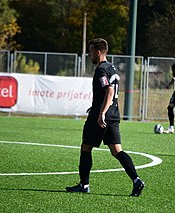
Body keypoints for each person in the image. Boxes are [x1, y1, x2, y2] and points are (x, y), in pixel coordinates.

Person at [66, 38, 144, 197]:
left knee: (86, 147)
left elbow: (109, 91)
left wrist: (101, 112)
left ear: (98, 52)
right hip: (114, 114)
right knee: (117, 151)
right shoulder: (112, 68)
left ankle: (84, 185)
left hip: (101, 116)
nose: (88, 54)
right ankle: (136, 180)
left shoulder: (101, 70)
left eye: (90, 51)